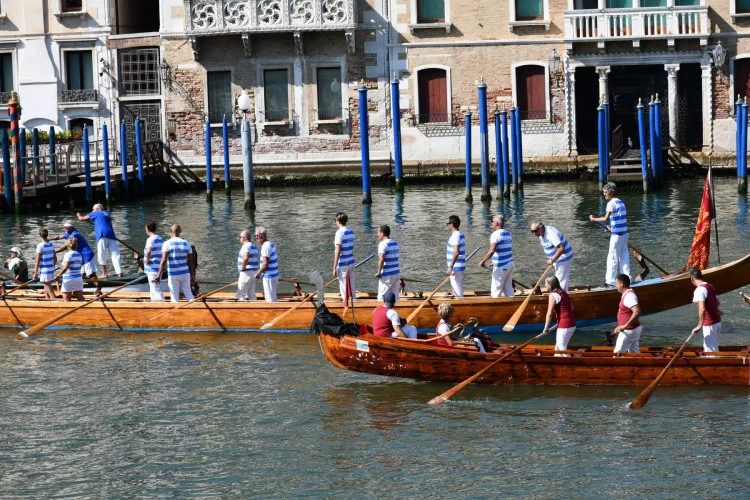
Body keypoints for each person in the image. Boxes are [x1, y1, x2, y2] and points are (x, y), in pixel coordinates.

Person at [589, 182, 630, 287]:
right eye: (603, 192)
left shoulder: (611, 203)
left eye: (606, 192)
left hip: (617, 236)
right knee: (624, 257)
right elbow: (620, 220)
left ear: (612, 192)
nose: (604, 194)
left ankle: (610, 281)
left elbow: (605, 218)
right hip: (625, 234)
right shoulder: (621, 202)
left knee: (612, 258)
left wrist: (594, 219)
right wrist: (611, 229)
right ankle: (627, 279)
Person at [77, 203, 121, 278]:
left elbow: (81, 218)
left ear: (97, 209)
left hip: (102, 235)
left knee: (101, 255)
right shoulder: (106, 214)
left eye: (93, 209)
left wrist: (78, 214)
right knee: (115, 255)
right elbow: (97, 223)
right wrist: (89, 220)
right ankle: (119, 272)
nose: (92, 211)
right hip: (111, 235)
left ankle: (104, 273)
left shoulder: (96, 213)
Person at [156, 224, 195, 302]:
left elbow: (163, 260)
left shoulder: (167, 243)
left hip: (173, 274)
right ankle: (195, 307)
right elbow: (191, 261)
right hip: (185, 273)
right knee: (189, 294)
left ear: (171, 231)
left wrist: (159, 274)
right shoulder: (186, 243)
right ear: (180, 231)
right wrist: (192, 275)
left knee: (174, 297)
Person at [530, 221, 574, 291]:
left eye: (536, 231)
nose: (534, 233)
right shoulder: (541, 234)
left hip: (563, 257)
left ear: (541, 228)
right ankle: (563, 292)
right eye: (532, 231)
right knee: (562, 278)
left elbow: (561, 248)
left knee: (559, 281)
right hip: (557, 259)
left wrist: (552, 259)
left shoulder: (551, 234)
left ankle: (560, 295)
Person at [479, 215, 515, 298]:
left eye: (492, 221)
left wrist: (483, 261)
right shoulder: (508, 233)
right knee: (508, 289)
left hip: (501, 266)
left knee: (496, 291)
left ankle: (495, 305)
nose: (491, 223)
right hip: (510, 264)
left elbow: (492, 251)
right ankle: (513, 304)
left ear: (496, 223)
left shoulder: (495, 235)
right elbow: (504, 250)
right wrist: (494, 262)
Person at [541, 276, 576, 355]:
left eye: (545, 283)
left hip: (565, 326)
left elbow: (549, 313)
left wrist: (546, 328)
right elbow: (572, 307)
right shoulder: (563, 293)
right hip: (571, 324)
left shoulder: (553, 295)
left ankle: (570, 362)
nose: (545, 285)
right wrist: (561, 320)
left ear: (550, 285)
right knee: (558, 349)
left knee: (561, 350)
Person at [690, 269, 722, 353]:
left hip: (709, 323)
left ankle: (713, 361)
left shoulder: (699, 290)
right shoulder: (710, 286)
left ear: (692, 279)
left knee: (710, 350)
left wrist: (699, 325)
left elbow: (702, 308)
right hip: (717, 321)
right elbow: (717, 303)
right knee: (712, 346)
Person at [612, 274, 641, 353]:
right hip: (632, 329)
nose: (615, 286)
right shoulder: (627, 294)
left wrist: (624, 326)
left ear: (621, 284)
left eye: (616, 283)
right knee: (634, 353)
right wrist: (620, 326)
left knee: (618, 353)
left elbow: (637, 311)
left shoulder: (629, 296)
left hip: (628, 331)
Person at [333, 212, 355, 301]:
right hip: (352, 261)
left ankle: (346, 305)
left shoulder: (339, 232)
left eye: (335, 220)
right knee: (352, 285)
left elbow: (338, 251)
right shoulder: (350, 231)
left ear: (338, 221)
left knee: (344, 287)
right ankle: (354, 301)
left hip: (343, 264)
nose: (335, 222)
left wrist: (334, 267)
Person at [254, 227, 279, 303]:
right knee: (273, 298)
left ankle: (273, 310)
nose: (256, 237)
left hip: (269, 276)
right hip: (274, 275)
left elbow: (265, 264)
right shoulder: (270, 244)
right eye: (255, 235)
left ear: (263, 235)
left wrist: (258, 273)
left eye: (258, 235)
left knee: (269, 300)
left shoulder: (265, 246)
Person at [375, 224, 400, 301]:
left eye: (378, 232)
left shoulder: (382, 244)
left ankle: (381, 308)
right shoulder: (395, 243)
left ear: (382, 233)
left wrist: (379, 272)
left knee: (382, 297)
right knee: (395, 296)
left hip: (387, 275)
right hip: (396, 272)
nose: (377, 234)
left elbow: (381, 259)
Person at [56, 238, 84, 302]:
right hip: (78, 278)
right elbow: (79, 266)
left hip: (69, 279)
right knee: (80, 298)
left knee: (67, 300)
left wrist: (58, 275)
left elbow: (66, 267)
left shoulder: (68, 255)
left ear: (67, 245)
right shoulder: (79, 254)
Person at [143, 222, 165, 301]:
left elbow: (148, 251)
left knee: (156, 289)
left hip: (152, 268)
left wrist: (147, 261)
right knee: (153, 289)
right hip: (159, 267)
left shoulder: (150, 239)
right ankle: (154, 303)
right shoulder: (160, 239)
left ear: (148, 229)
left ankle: (162, 304)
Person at [445, 215, 466, 298]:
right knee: (458, 284)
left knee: (456, 286)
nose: (447, 225)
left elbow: (456, 252)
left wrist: (451, 266)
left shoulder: (455, 236)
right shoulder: (461, 234)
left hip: (455, 266)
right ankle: (459, 298)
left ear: (452, 224)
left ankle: (459, 301)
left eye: (448, 223)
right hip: (460, 264)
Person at [34, 228, 57, 299]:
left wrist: (35, 273)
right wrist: (52, 267)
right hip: (51, 269)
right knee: (46, 288)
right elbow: (55, 258)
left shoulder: (40, 246)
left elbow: (37, 261)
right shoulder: (51, 244)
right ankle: (47, 299)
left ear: (40, 235)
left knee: (49, 289)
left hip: (45, 270)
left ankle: (55, 302)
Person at [237, 229, 259, 300]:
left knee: (240, 294)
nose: (239, 239)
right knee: (251, 293)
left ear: (244, 238)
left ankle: (241, 306)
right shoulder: (253, 246)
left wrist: (242, 268)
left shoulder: (246, 246)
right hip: (254, 272)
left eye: (240, 237)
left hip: (246, 272)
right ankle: (254, 306)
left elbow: (246, 258)